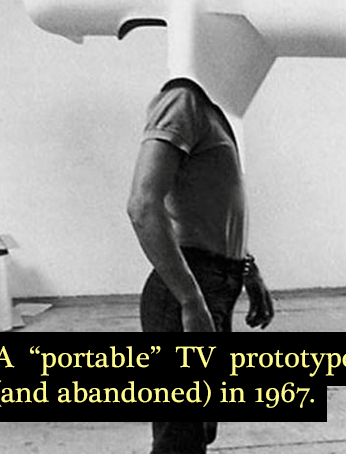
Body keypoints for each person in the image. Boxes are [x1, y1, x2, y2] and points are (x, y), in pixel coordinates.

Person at [127, 77, 274, 454]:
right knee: (181, 438)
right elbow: (142, 205)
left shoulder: (214, 112)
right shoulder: (183, 99)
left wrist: (248, 269)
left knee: (198, 430)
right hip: (187, 288)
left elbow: (215, 207)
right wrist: (191, 302)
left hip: (214, 284)